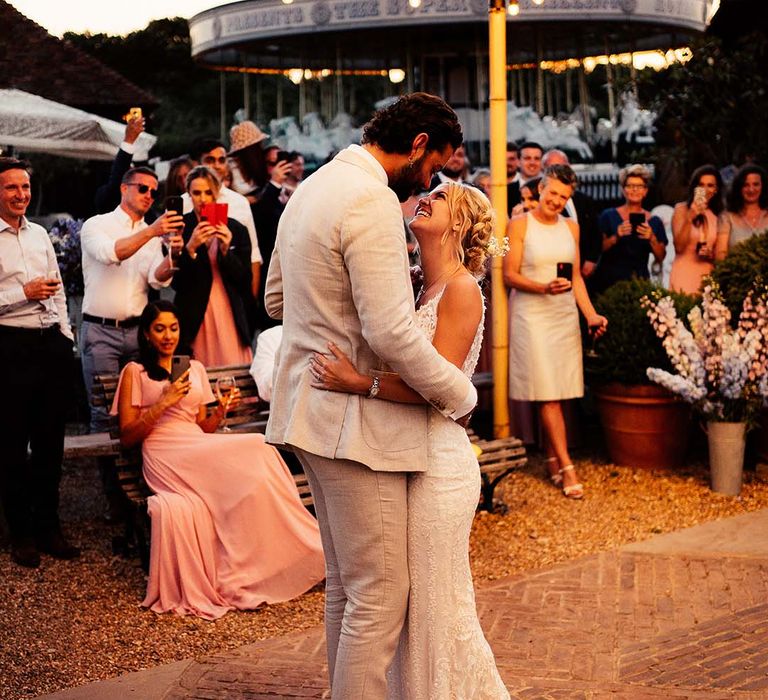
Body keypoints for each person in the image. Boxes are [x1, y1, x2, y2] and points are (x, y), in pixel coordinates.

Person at [265, 92, 478, 698]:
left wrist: (326, 324)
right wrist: (454, 393)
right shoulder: (370, 199)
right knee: (381, 594)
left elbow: (277, 301)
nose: (432, 180)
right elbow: (389, 329)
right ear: (417, 146)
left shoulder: (313, 185)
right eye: (434, 164)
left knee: (346, 586)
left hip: (307, 407)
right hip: (351, 425)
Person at [308, 182, 509, 698]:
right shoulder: (415, 284)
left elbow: (435, 383)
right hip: (403, 456)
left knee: (437, 605)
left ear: (460, 223)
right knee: (407, 604)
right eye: (426, 192)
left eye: (439, 197)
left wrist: (360, 382)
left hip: (440, 466)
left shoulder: (462, 289)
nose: (425, 198)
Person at [112, 300, 324, 620]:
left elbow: (203, 426)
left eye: (173, 328)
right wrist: (163, 401)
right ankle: (284, 550)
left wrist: (221, 409)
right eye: (159, 329)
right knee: (256, 444)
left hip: (196, 443)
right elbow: (128, 435)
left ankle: (272, 557)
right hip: (163, 451)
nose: (168, 335)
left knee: (261, 452)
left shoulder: (194, 368)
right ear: (145, 334)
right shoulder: (135, 372)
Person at [503, 164, 607, 499]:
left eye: (564, 197)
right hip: (532, 314)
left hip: (563, 314)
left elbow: (576, 276)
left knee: (560, 390)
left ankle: (551, 457)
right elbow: (509, 276)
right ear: (541, 189)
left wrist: (590, 315)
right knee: (547, 392)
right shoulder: (518, 225)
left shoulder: (572, 228)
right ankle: (567, 464)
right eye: (553, 194)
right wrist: (542, 287)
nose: (557, 201)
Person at [0, 157, 80, 568]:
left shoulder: (40, 236)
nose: (21, 195)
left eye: (25, 187)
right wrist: (22, 294)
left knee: (51, 443)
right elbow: (27, 293)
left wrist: (66, 335)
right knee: (13, 445)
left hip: (50, 344)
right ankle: (22, 533)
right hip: (9, 346)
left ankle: (50, 527)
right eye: (12, 187)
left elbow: (60, 289)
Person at [80, 166, 184, 435]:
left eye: (153, 191)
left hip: (139, 331)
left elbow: (155, 279)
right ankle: (108, 478)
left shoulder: (150, 233)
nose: (149, 195)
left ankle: (135, 475)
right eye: (143, 188)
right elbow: (110, 254)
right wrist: (152, 232)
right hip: (101, 331)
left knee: (141, 404)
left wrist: (173, 254)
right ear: (123, 188)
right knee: (103, 411)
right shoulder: (97, 224)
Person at [171, 166, 253, 367]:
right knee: (197, 373)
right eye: (196, 193)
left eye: (208, 192)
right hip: (194, 313)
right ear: (189, 195)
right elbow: (176, 283)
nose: (203, 199)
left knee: (231, 369)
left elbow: (244, 280)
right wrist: (190, 248)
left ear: (216, 193)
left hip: (228, 311)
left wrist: (226, 251)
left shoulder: (235, 228)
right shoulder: (180, 226)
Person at [184, 138, 262, 300]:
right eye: (210, 160)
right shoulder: (184, 203)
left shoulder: (239, 202)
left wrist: (251, 300)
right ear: (197, 163)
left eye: (221, 160)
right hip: (195, 295)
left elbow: (253, 254)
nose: (217, 165)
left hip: (232, 292)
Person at [590, 164, 668, 295]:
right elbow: (597, 249)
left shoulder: (654, 221)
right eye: (630, 186)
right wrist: (616, 236)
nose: (634, 190)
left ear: (645, 191)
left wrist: (652, 238)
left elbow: (661, 257)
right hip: (609, 282)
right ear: (623, 189)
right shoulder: (608, 216)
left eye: (639, 186)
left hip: (640, 282)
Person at [669, 165, 726, 294]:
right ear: (695, 188)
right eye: (701, 185)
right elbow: (678, 247)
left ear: (716, 189)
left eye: (710, 185)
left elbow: (722, 252)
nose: (705, 189)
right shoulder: (681, 210)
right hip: (683, 273)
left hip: (708, 273)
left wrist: (711, 254)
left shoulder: (719, 215)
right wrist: (690, 216)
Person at [715, 164, 768, 259]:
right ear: (739, 188)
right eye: (746, 185)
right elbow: (720, 254)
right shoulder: (726, 218)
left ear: (763, 186)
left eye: (756, 184)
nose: (751, 190)